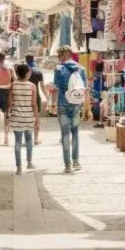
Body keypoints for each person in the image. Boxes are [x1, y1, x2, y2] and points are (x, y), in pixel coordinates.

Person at [53, 45, 87, 173]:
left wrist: (52, 104)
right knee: (75, 132)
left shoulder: (59, 69)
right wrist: (87, 108)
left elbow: (56, 89)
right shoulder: (81, 69)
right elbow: (85, 90)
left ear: (65, 55)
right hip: (76, 104)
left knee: (65, 134)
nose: (58, 58)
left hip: (62, 104)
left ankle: (67, 165)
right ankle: (76, 161)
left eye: (59, 55)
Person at [8, 64, 38, 175]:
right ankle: (29, 163)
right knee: (29, 140)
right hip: (29, 117)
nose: (30, 73)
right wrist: (37, 119)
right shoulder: (32, 86)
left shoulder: (13, 85)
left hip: (16, 117)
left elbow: (9, 103)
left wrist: (7, 115)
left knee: (17, 142)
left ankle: (19, 167)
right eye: (29, 72)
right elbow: (34, 104)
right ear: (26, 73)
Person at [0, 52, 16, 145]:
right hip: (7, 92)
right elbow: (15, 79)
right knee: (7, 115)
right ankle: (6, 138)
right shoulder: (10, 68)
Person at [25, 54, 48, 145]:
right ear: (33, 59)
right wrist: (47, 97)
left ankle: (27, 139)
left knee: (26, 118)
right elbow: (42, 86)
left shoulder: (23, 71)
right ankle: (36, 138)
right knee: (36, 118)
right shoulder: (38, 72)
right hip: (36, 97)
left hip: (25, 96)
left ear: (26, 60)